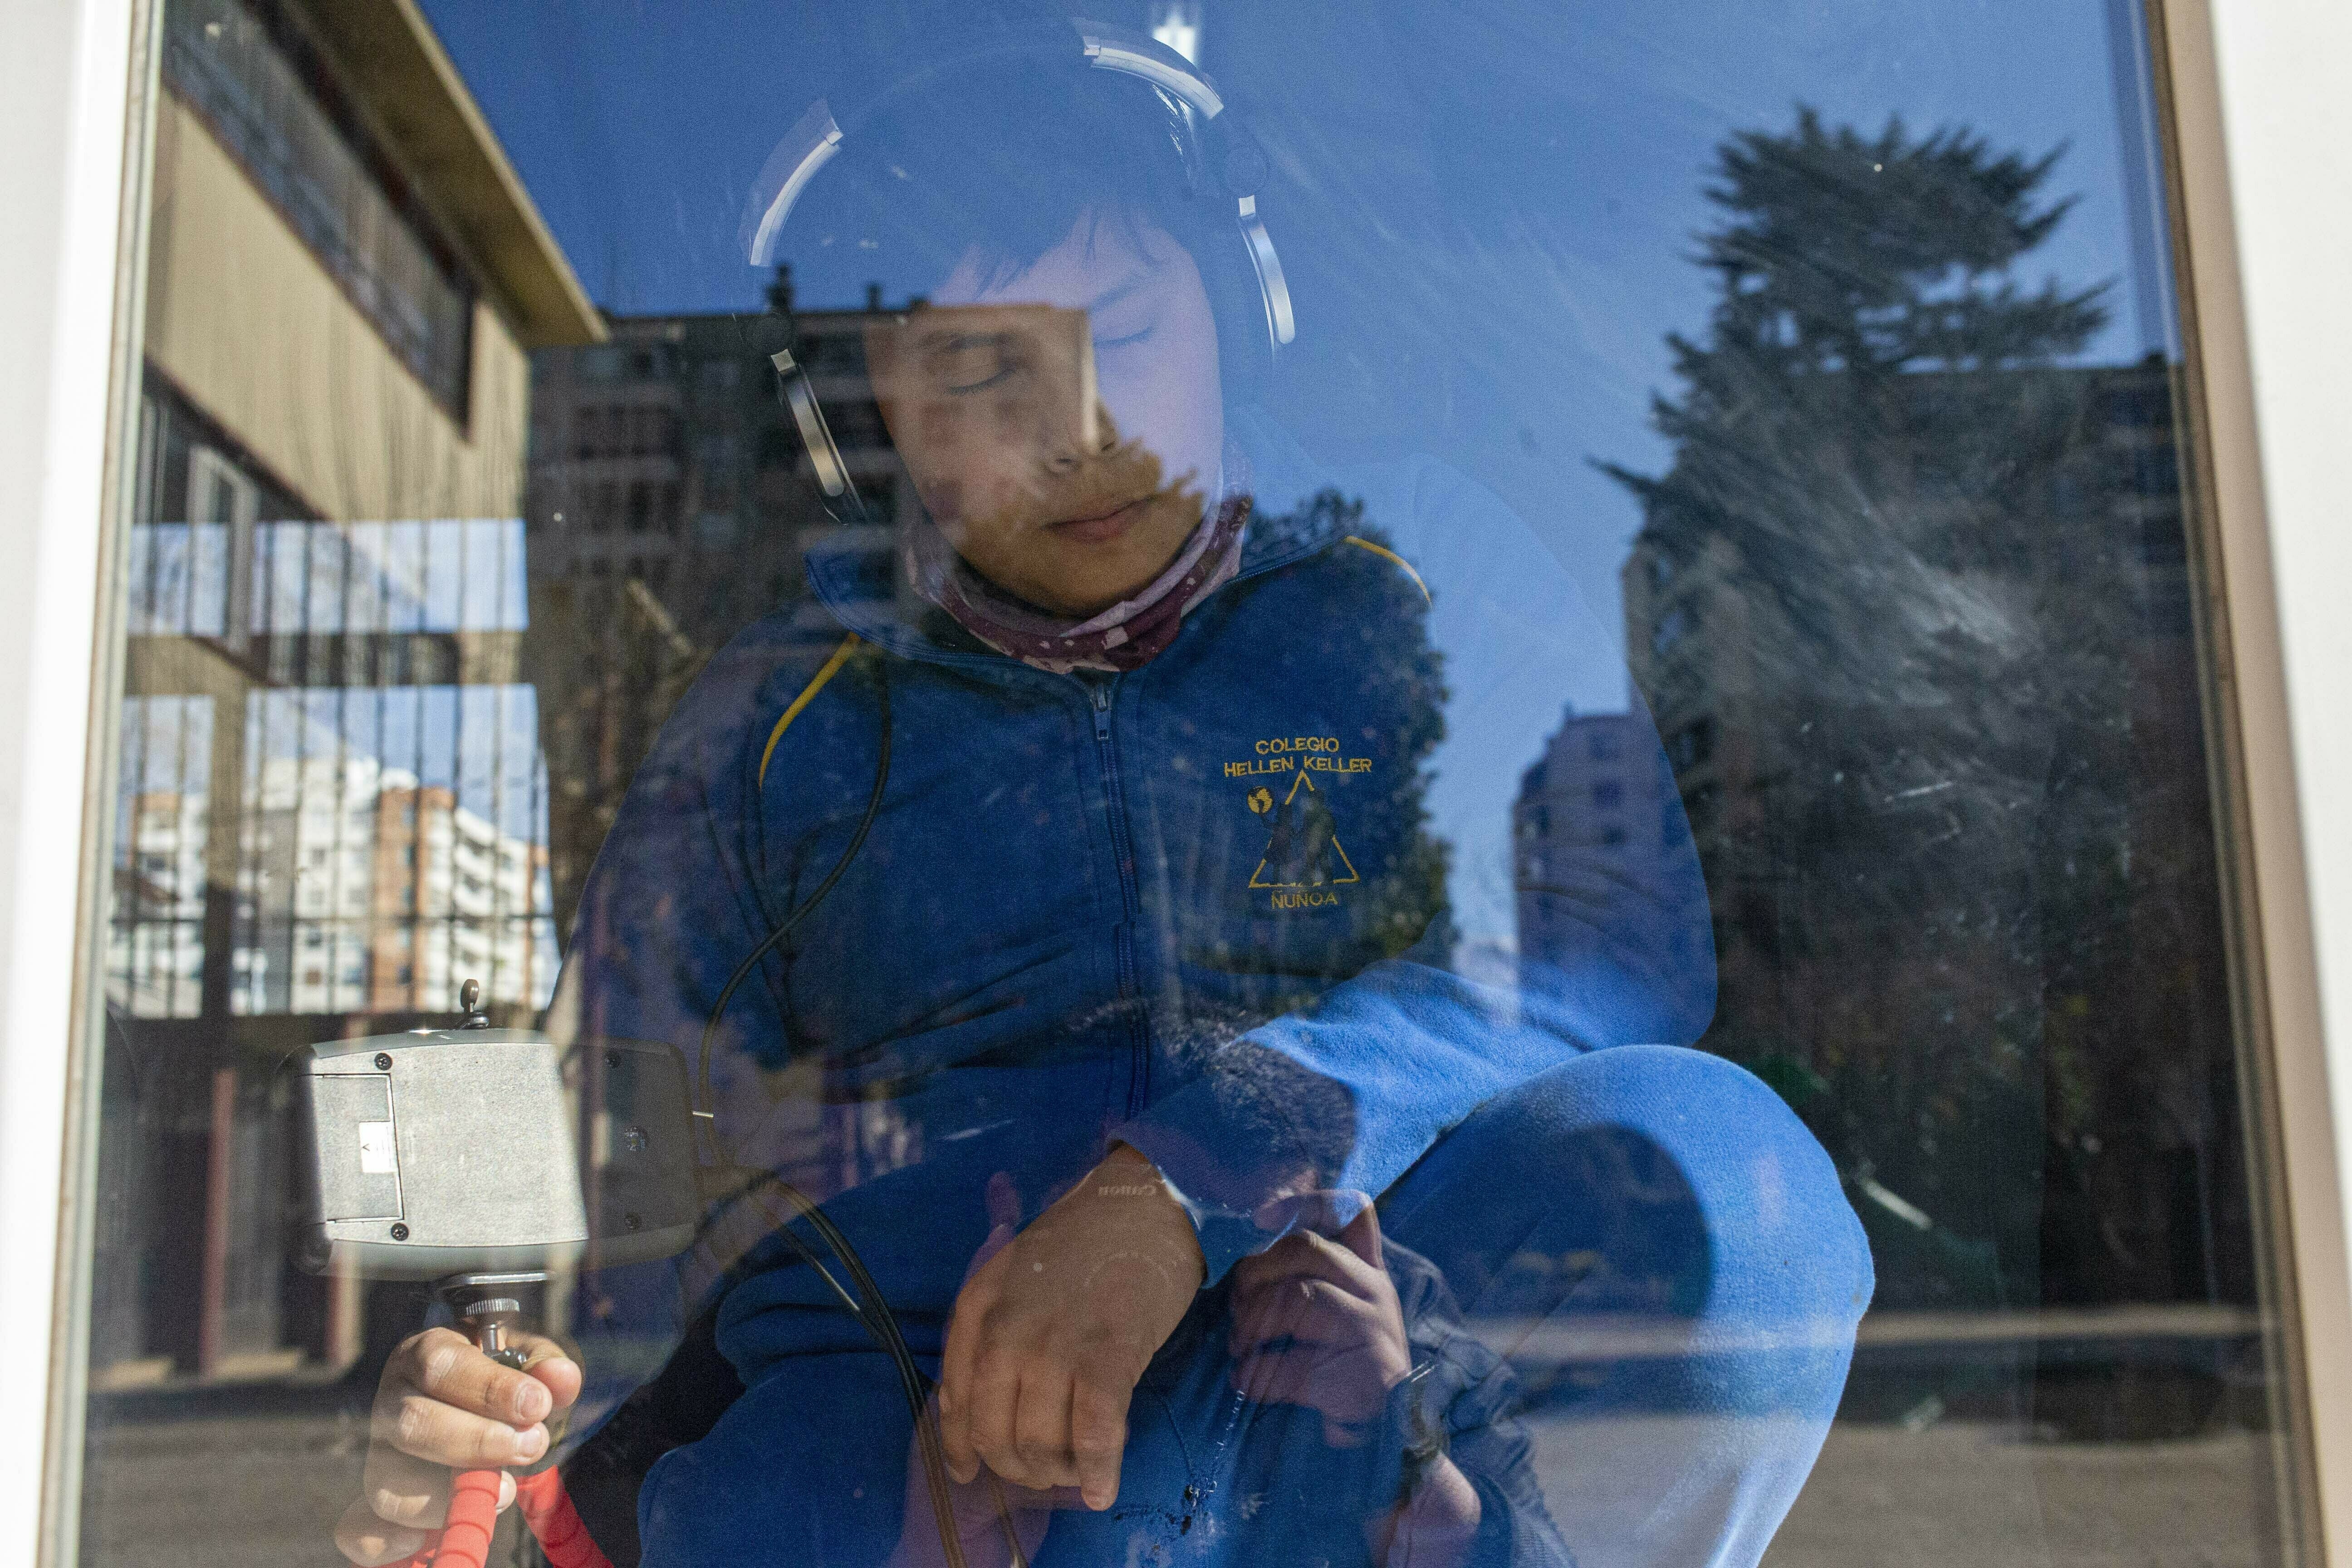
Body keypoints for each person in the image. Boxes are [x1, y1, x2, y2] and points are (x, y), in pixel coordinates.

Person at [337, 23, 1872, 1568]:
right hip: (919, 1431)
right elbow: (610, 1148)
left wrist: (1193, 1174)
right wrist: (476, 1397)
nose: (1083, 431)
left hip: (1359, 1356)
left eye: (1124, 330)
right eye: (986, 369)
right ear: (871, 404)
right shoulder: (772, 735)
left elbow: (1607, 942)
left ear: (1238, 309)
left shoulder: (1424, 584)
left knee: (1729, 1181)